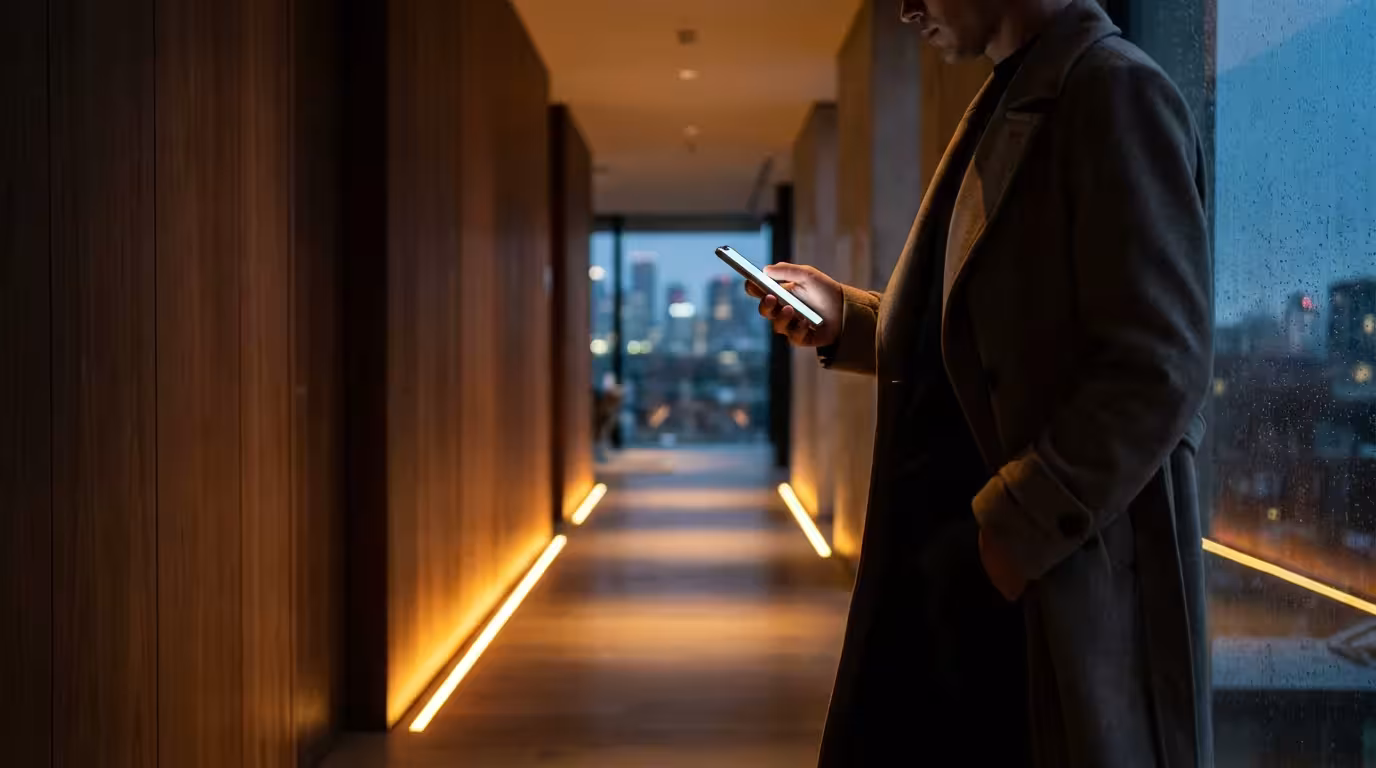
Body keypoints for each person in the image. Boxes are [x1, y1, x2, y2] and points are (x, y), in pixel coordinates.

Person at [748, 1, 1213, 765]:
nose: (905, 9)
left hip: (1029, 590)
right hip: (966, 573)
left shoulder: (1112, 90)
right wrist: (851, 319)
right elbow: (991, 332)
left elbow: (1159, 365)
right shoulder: (1013, 95)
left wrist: (1007, 537)